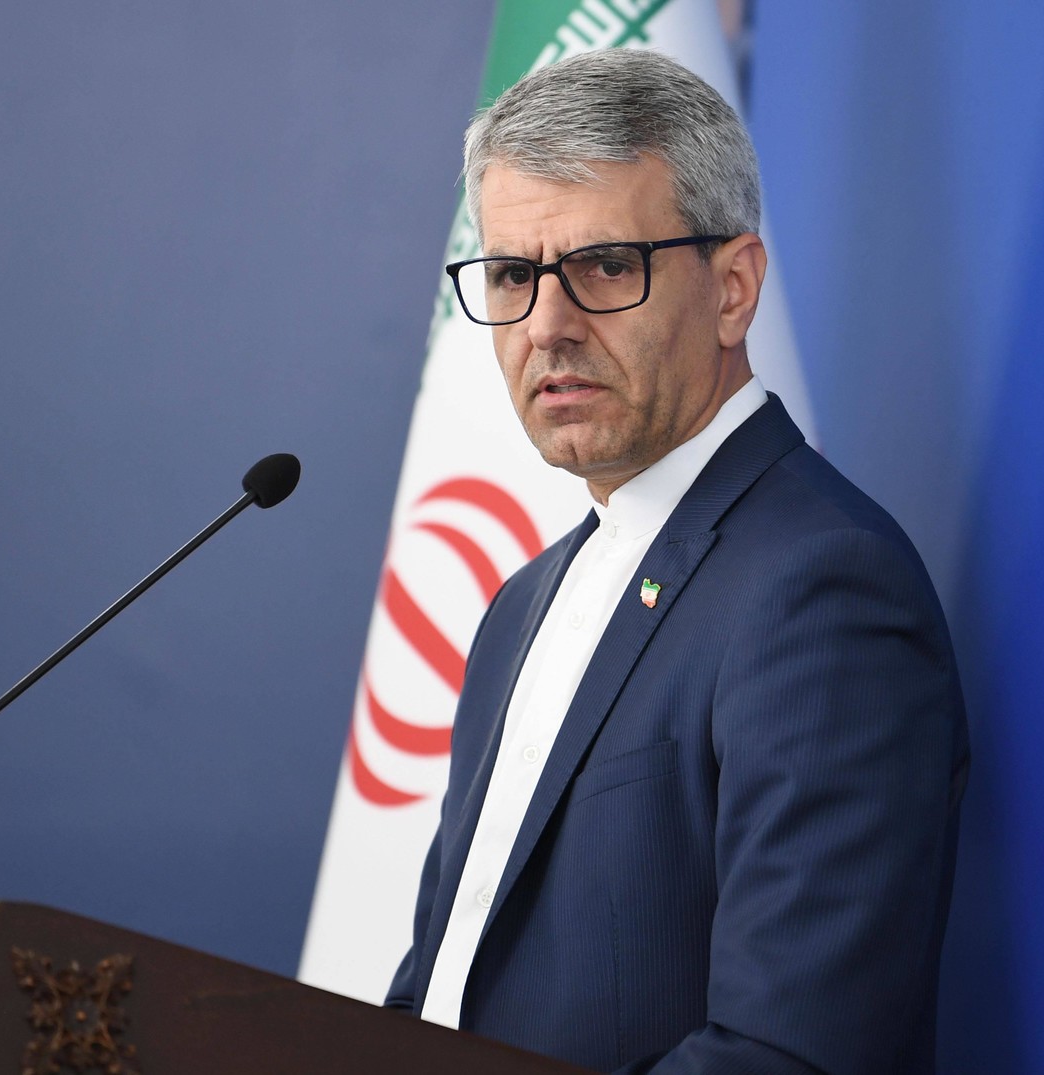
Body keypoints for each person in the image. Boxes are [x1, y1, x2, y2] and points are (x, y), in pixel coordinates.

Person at [385, 48, 968, 1074]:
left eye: (606, 266)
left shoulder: (822, 588)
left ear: (733, 289)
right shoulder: (519, 608)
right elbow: (442, 985)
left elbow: (791, 1052)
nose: (547, 326)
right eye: (513, 275)